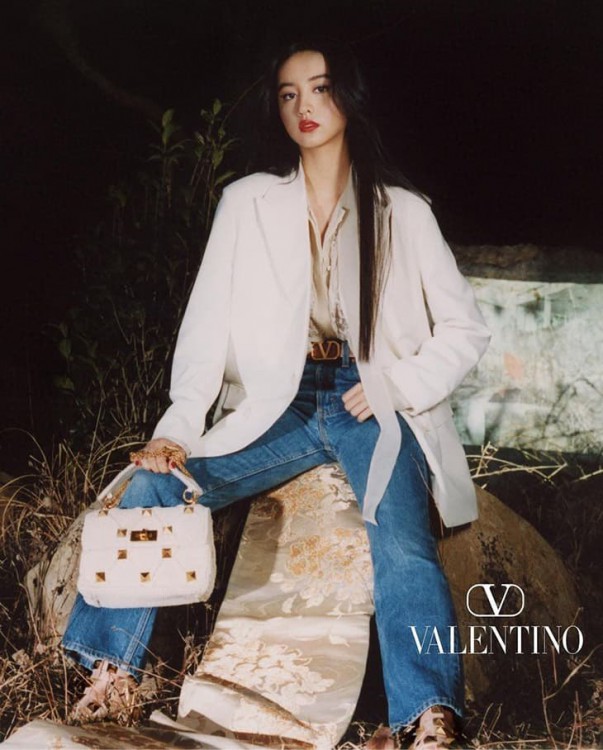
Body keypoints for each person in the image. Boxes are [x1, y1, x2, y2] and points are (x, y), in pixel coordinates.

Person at [62, 39, 490, 749]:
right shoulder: (246, 203)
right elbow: (206, 329)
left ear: (348, 98)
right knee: (155, 483)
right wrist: (177, 427)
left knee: (401, 538)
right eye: (289, 94)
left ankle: (428, 717)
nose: (304, 106)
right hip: (276, 401)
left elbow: (465, 328)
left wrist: (396, 383)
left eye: (319, 89)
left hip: (368, 399)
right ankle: (111, 676)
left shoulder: (403, 211)